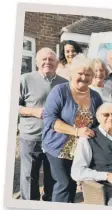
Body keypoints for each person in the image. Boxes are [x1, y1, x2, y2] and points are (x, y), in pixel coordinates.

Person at [42, 54, 112, 203]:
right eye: (80, 73)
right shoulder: (60, 91)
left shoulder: (94, 96)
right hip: (58, 147)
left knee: (73, 183)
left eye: (88, 74)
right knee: (64, 184)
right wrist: (76, 131)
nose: (84, 77)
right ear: (72, 73)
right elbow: (50, 119)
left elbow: (103, 117)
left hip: (81, 149)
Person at [18, 47, 67, 201]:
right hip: (32, 137)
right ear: (37, 62)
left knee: (53, 176)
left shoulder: (64, 84)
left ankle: (48, 205)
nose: (47, 62)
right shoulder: (25, 79)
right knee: (29, 176)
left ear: (57, 63)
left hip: (55, 138)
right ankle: (28, 207)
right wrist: (34, 112)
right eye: (44, 59)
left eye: (51, 59)